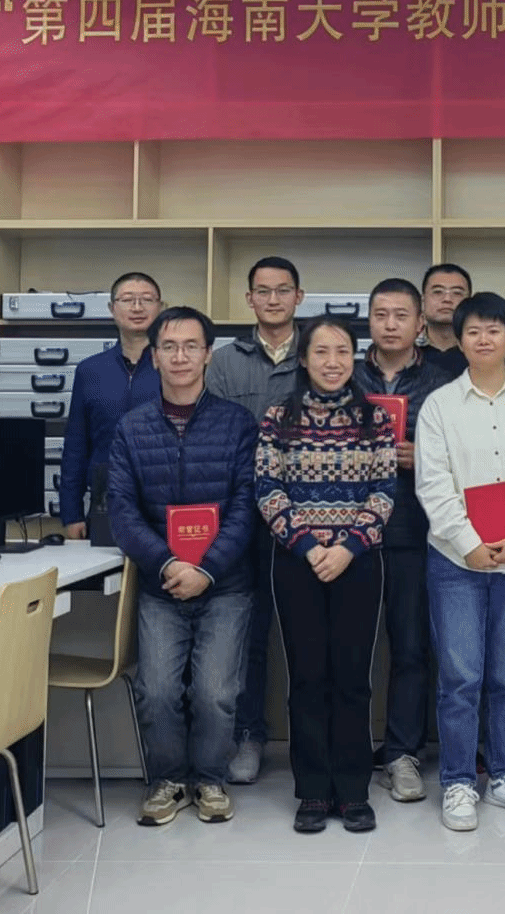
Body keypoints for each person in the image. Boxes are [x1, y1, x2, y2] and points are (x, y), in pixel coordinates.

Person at [106, 306, 258, 827]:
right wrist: (168, 563)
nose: (180, 356)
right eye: (169, 347)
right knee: (157, 691)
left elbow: (246, 506)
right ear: (153, 357)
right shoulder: (132, 428)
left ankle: (210, 779)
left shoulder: (237, 424)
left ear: (208, 355)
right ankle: (167, 780)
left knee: (216, 692)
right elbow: (122, 511)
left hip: (226, 584)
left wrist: (207, 569)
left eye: (191, 346)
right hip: (161, 584)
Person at [415, 292, 505, 832]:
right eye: (473, 331)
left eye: (493, 330)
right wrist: (468, 542)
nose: (483, 339)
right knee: (460, 677)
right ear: (460, 340)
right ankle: (458, 780)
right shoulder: (440, 406)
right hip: (456, 563)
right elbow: (433, 484)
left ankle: (504, 774)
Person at [255, 314, 396, 834]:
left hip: (359, 563)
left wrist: (349, 547)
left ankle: (354, 790)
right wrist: (310, 546)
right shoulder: (278, 417)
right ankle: (313, 790)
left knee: (354, 679)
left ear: (353, 358)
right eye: (321, 352)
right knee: (307, 678)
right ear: (303, 358)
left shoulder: (374, 418)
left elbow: (385, 492)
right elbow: (267, 489)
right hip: (297, 563)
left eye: (341, 352)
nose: (332, 362)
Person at [205, 255, 305, 785]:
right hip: (244, 517)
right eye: (262, 291)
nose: (272, 299)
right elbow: (216, 436)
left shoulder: (318, 352)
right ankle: (249, 734)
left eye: (282, 290)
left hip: (309, 517)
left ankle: (310, 738)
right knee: (250, 634)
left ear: (298, 297)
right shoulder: (224, 362)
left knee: (307, 633)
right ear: (249, 299)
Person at [354, 278, 453, 804]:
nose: (390, 324)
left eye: (401, 315)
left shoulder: (444, 380)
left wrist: (425, 456)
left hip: (415, 529)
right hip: (347, 532)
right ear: (368, 320)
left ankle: (402, 753)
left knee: (412, 647)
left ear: (420, 323)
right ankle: (348, 749)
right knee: (349, 648)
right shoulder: (344, 375)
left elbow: (464, 455)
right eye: (380, 314)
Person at [59, 272, 162, 539]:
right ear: (111, 308)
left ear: (160, 308)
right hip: (105, 501)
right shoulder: (90, 371)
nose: (137, 307)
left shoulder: (174, 368)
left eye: (147, 299)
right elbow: (76, 446)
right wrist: (71, 513)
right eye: (127, 299)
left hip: (163, 502)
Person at [417, 263, 472, 374]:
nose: (447, 299)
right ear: (423, 299)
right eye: (438, 292)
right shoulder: (404, 349)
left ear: (469, 301)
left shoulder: (482, 349)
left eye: (457, 293)